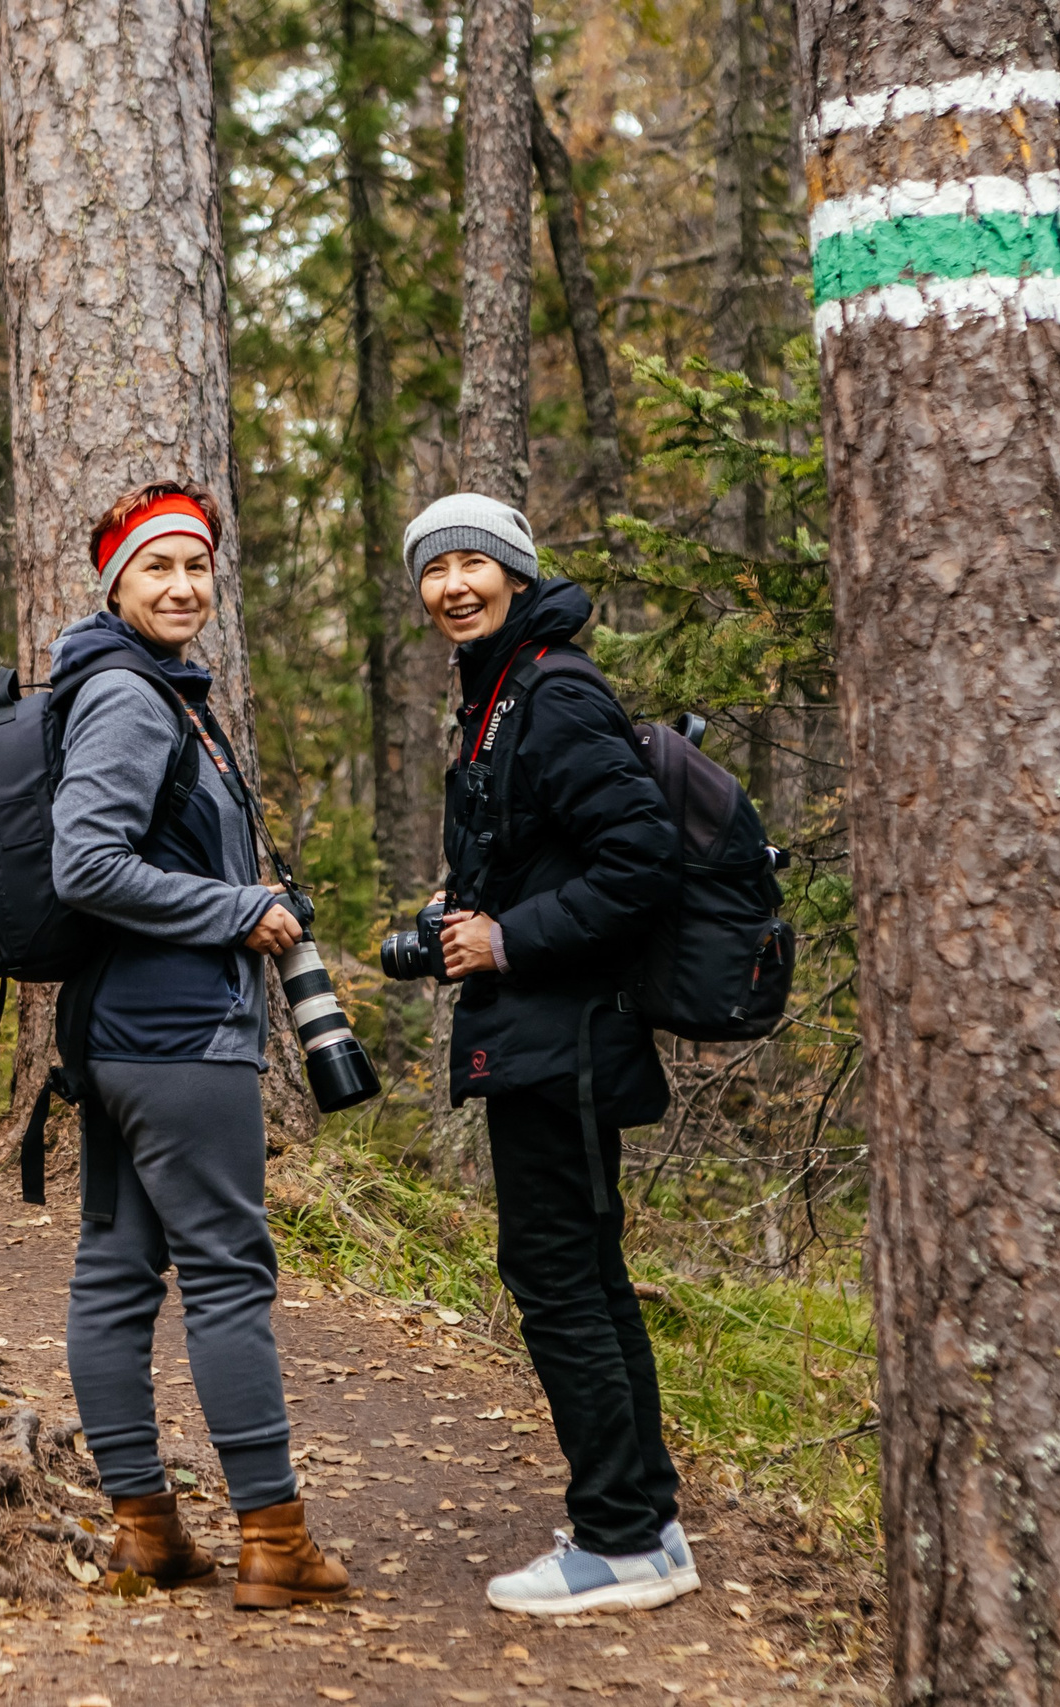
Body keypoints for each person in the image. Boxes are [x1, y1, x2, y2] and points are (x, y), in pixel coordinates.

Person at [47, 478, 351, 1610]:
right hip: (177, 1036)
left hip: (121, 1032)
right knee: (226, 1276)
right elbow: (86, 865)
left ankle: (147, 1531)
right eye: (156, 568)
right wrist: (237, 909)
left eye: (196, 567)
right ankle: (274, 1540)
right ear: (114, 583)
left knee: (117, 1270)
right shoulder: (130, 698)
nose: (181, 587)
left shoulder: (146, 690)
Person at [401, 491, 703, 1617]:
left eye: (473, 563)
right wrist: (472, 911)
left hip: (562, 1035)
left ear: (518, 575)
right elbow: (557, 851)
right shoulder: (501, 692)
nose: (453, 586)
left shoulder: (553, 693)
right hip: (544, 1031)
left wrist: (508, 938)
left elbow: (642, 861)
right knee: (581, 1272)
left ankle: (619, 1538)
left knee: (559, 1276)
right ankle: (647, 1524)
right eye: (434, 570)